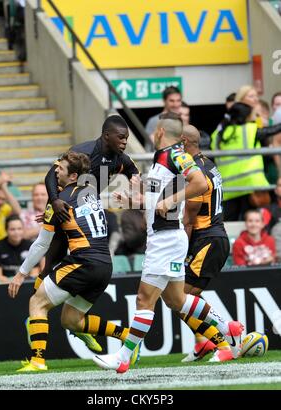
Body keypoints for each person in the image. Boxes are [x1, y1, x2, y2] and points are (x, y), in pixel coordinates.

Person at [93, 113, 243, 373]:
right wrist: (131, 199)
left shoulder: (175, 154)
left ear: (160, 131)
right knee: (176, 300)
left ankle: (123, 357)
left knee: (144, 299)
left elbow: (200, 182)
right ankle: (227, 328)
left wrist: (171, 200)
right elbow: (156, 202)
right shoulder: (163, 158)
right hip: (168, 238)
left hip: (165, 240)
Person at [29, 115, 139, 351]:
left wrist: (134, 189)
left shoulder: (119, 159)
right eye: (121, 137)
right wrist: (55, 202)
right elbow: (51, 174)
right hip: (66, 202)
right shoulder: (84, 151)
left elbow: (132, 169)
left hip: (84, 208)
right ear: (106, 135)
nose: (124, 142)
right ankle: (110, 333)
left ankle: (43, 285)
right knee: (53, 254)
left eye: (127, 138)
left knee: (43, 287)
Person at [8, 152, 113, 371]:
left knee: (37, 303)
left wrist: (21, 274)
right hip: (104, 264)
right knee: (71, 320)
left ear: (73, 175)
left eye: (61, 169)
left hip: (82, 262)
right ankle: (128, 336)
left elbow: (41, 244)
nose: (55, 170)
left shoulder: (60, 200)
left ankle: (37, 361)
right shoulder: (91, 192)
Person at [174, 125, 231, 361]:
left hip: (207, 239)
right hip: (214, 237)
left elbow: (189, 219)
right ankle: (203, 341)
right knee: (182, 299)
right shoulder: (210, 164)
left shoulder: (195, 173)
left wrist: (180, 250)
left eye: (178, 144)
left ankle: (227, 341)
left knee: (180, 298)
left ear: (185, 142)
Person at [211, 102, 281, 221]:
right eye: (254, 115)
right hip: (251, 186)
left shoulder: (217, 135)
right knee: (255, 222)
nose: (255, 118)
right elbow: (272, 130)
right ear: (246, 117)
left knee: (230, 225)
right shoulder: (249, 130)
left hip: (228, 188)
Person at [0, 215, 39, 283]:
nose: (16, 232)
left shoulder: (31, 246)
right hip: (5, 285)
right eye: (12, 229)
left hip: (25, 284)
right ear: (6, 230)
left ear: (23, 229)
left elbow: (34, 272)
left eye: (19, 229)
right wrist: (10, 282)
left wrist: (20, 281)